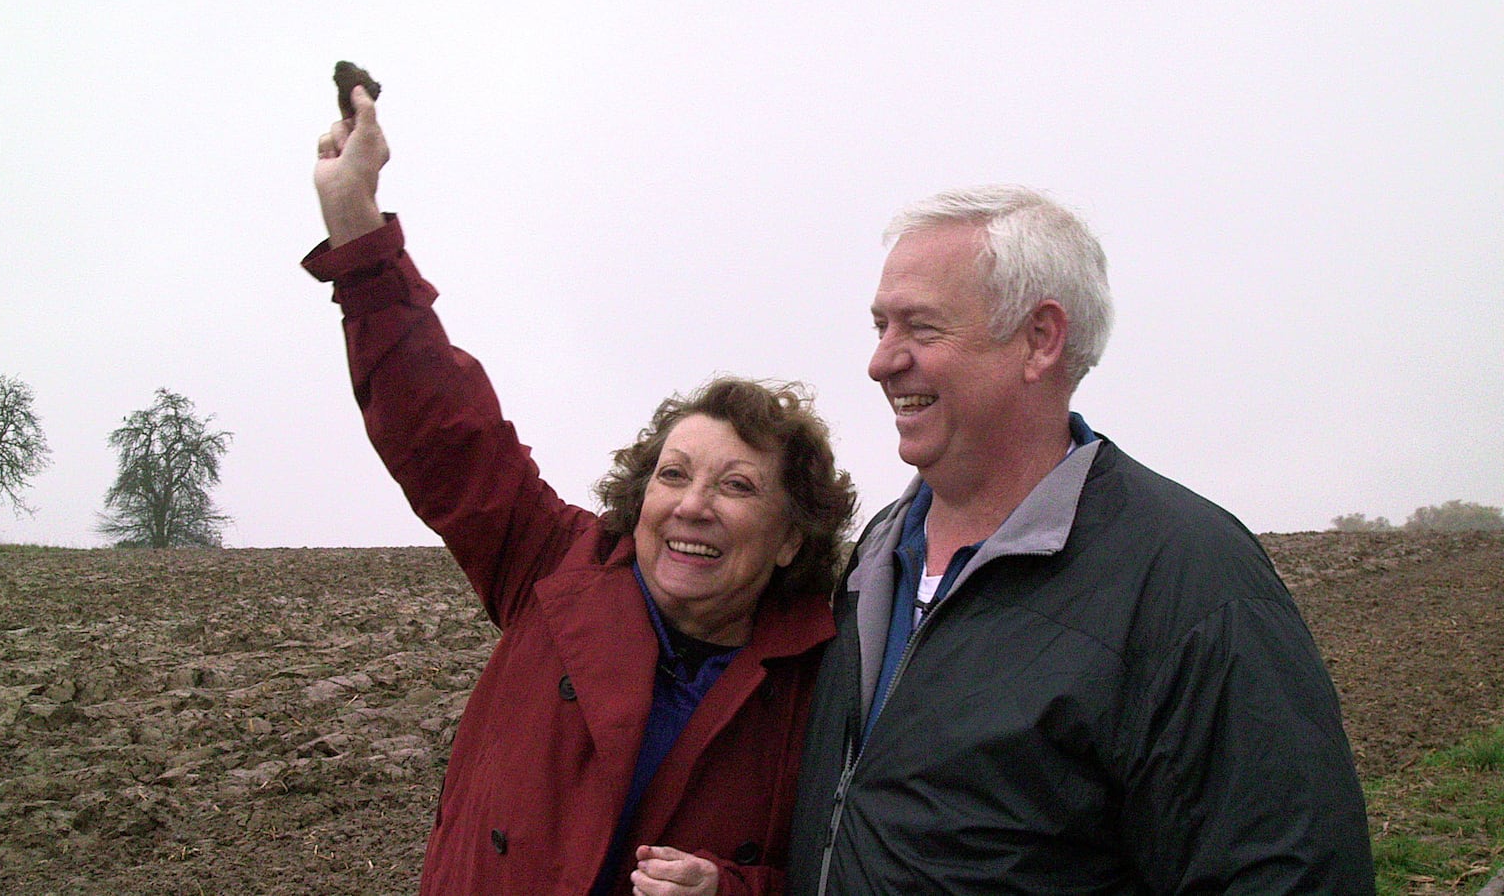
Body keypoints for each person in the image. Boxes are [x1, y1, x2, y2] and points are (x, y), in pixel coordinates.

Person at [304, 84, 856, 896]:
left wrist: (737, 893)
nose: (693, 504)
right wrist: (355, 219)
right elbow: (441, 425)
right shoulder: (551, 567)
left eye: (736, 485)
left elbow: (845, 870)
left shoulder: (828, 677)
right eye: (673, 474)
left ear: (790, 536)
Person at [785, 186, 1376, 893]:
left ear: (1040, 340)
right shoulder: (875, 556)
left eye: (920, 328)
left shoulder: (1190, 574)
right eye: (881, 326)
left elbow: (1283, 870)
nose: (881, 362)